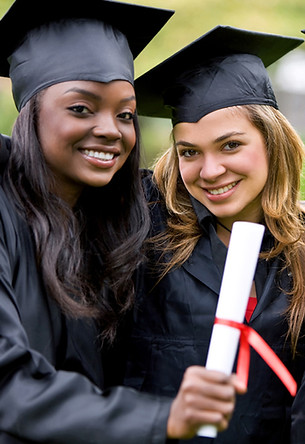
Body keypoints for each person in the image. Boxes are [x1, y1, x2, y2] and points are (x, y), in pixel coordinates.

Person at [0, 1, 247, 442]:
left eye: (125, 113)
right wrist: (160, 419)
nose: (111, 130)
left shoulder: (117, 213)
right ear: (30, 112)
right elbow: (7, 383)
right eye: (81, 108)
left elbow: (220, 195)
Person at [121, 25, 305, 443]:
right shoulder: (144, 222)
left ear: (271, 140)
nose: (209, 171)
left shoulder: (301, 247)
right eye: (189, 151)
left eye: (230, 145)